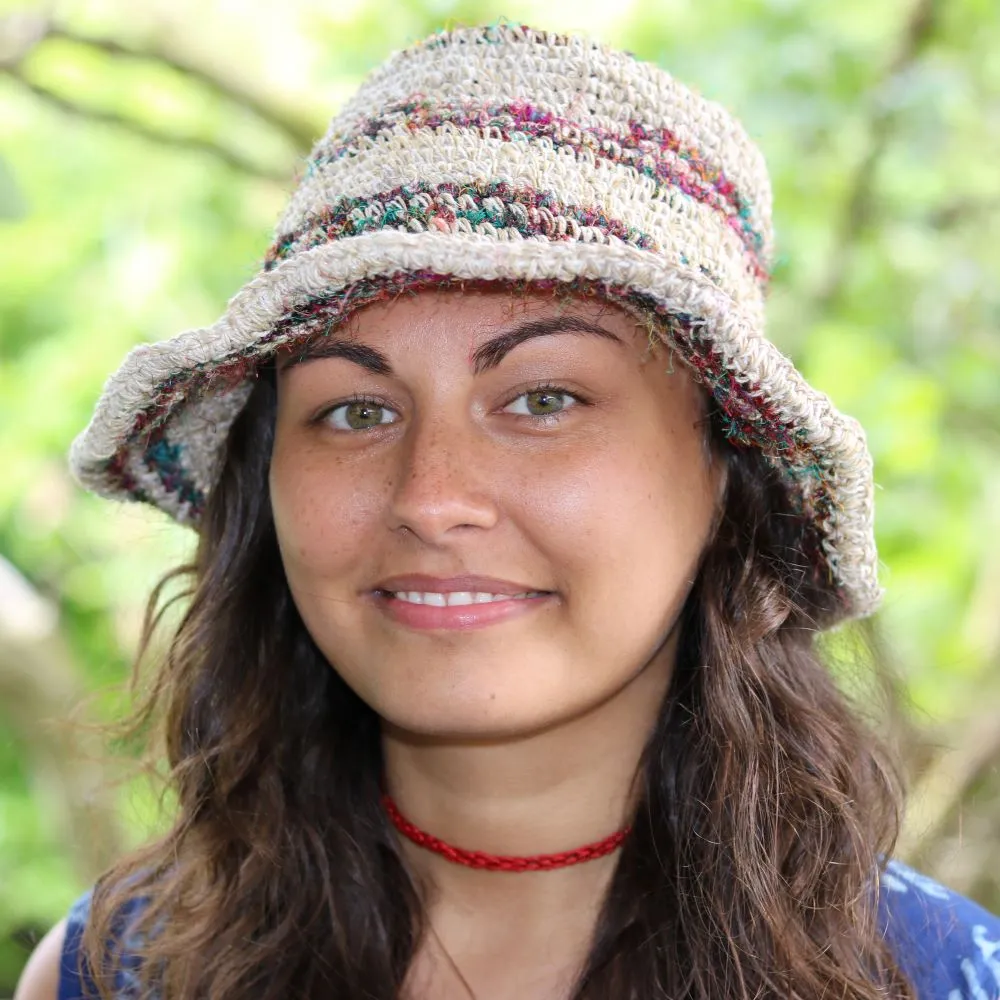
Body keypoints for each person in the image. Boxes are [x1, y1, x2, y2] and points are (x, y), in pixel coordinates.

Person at [14, 22, 1000, 1000]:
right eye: (356, 411)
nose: (432, 498)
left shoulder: (929, 978)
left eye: (542, 399)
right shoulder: (118, 969)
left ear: (725, 477)